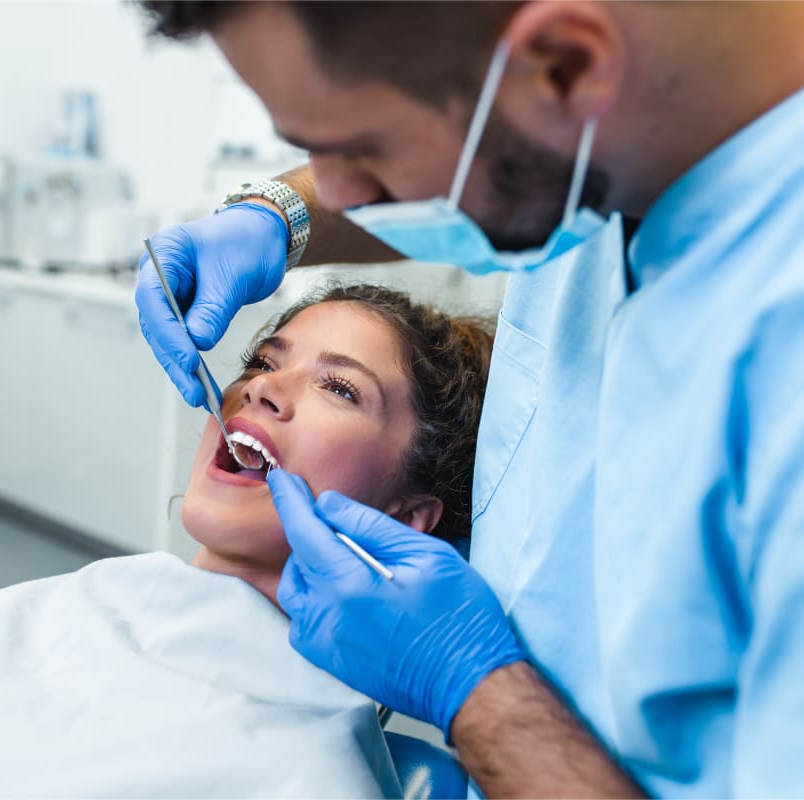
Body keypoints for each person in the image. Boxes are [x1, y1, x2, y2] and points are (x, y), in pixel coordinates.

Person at [134, 1, 804, 797]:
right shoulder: (614, 144)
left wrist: (470, 688)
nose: (336, 190)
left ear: (564, 68)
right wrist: (276, 218)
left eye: (362, 148)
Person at [0, 285, 494, 797]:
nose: (263, 391)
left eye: (340, 389)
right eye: (261, 361)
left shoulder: (305, 774)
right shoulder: (32, 616)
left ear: (408, 521)